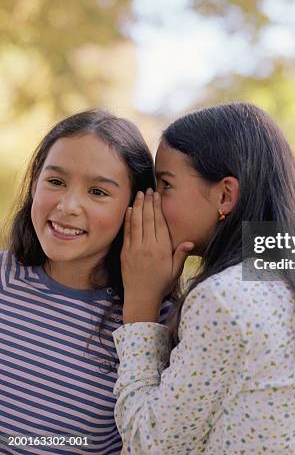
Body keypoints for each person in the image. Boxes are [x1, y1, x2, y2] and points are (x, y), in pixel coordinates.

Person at [114, 102, 295, 454]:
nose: (152, 201)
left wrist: (140, 306)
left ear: (225, 195)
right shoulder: (294, 284)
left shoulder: (222, 299)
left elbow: (151, 442)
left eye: (166, 184)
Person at [0, 110, 176, 454]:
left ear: (136, 207)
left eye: (97, 191)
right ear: (35, 181)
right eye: (56, 182)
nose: (68, 206)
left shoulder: (154, 321)